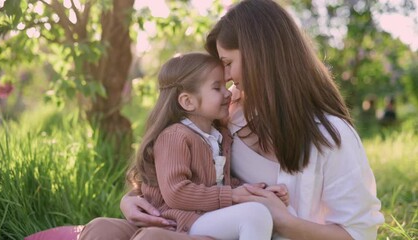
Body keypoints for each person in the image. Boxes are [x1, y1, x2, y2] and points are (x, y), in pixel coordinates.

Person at [81, 0, 384, 239]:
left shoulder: (331, 136)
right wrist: (133, 198)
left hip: (241, 232)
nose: (225, 79)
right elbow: (186, 169)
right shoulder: (229, 118)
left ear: (260, 58)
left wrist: (282, 220)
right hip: (195, 225)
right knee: (101, 230)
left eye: (228, 64)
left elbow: (357, 234)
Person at [80, 52, 289, 240]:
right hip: (177, 221)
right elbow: (177, 192)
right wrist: (232, 195)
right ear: (188, 102)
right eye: (217, 88)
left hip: (196, 223)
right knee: (100, 228)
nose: (228, 94)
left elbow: (217, 184)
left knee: (257, 213)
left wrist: (258, 191)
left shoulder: (219, 137)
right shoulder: (175, 136)